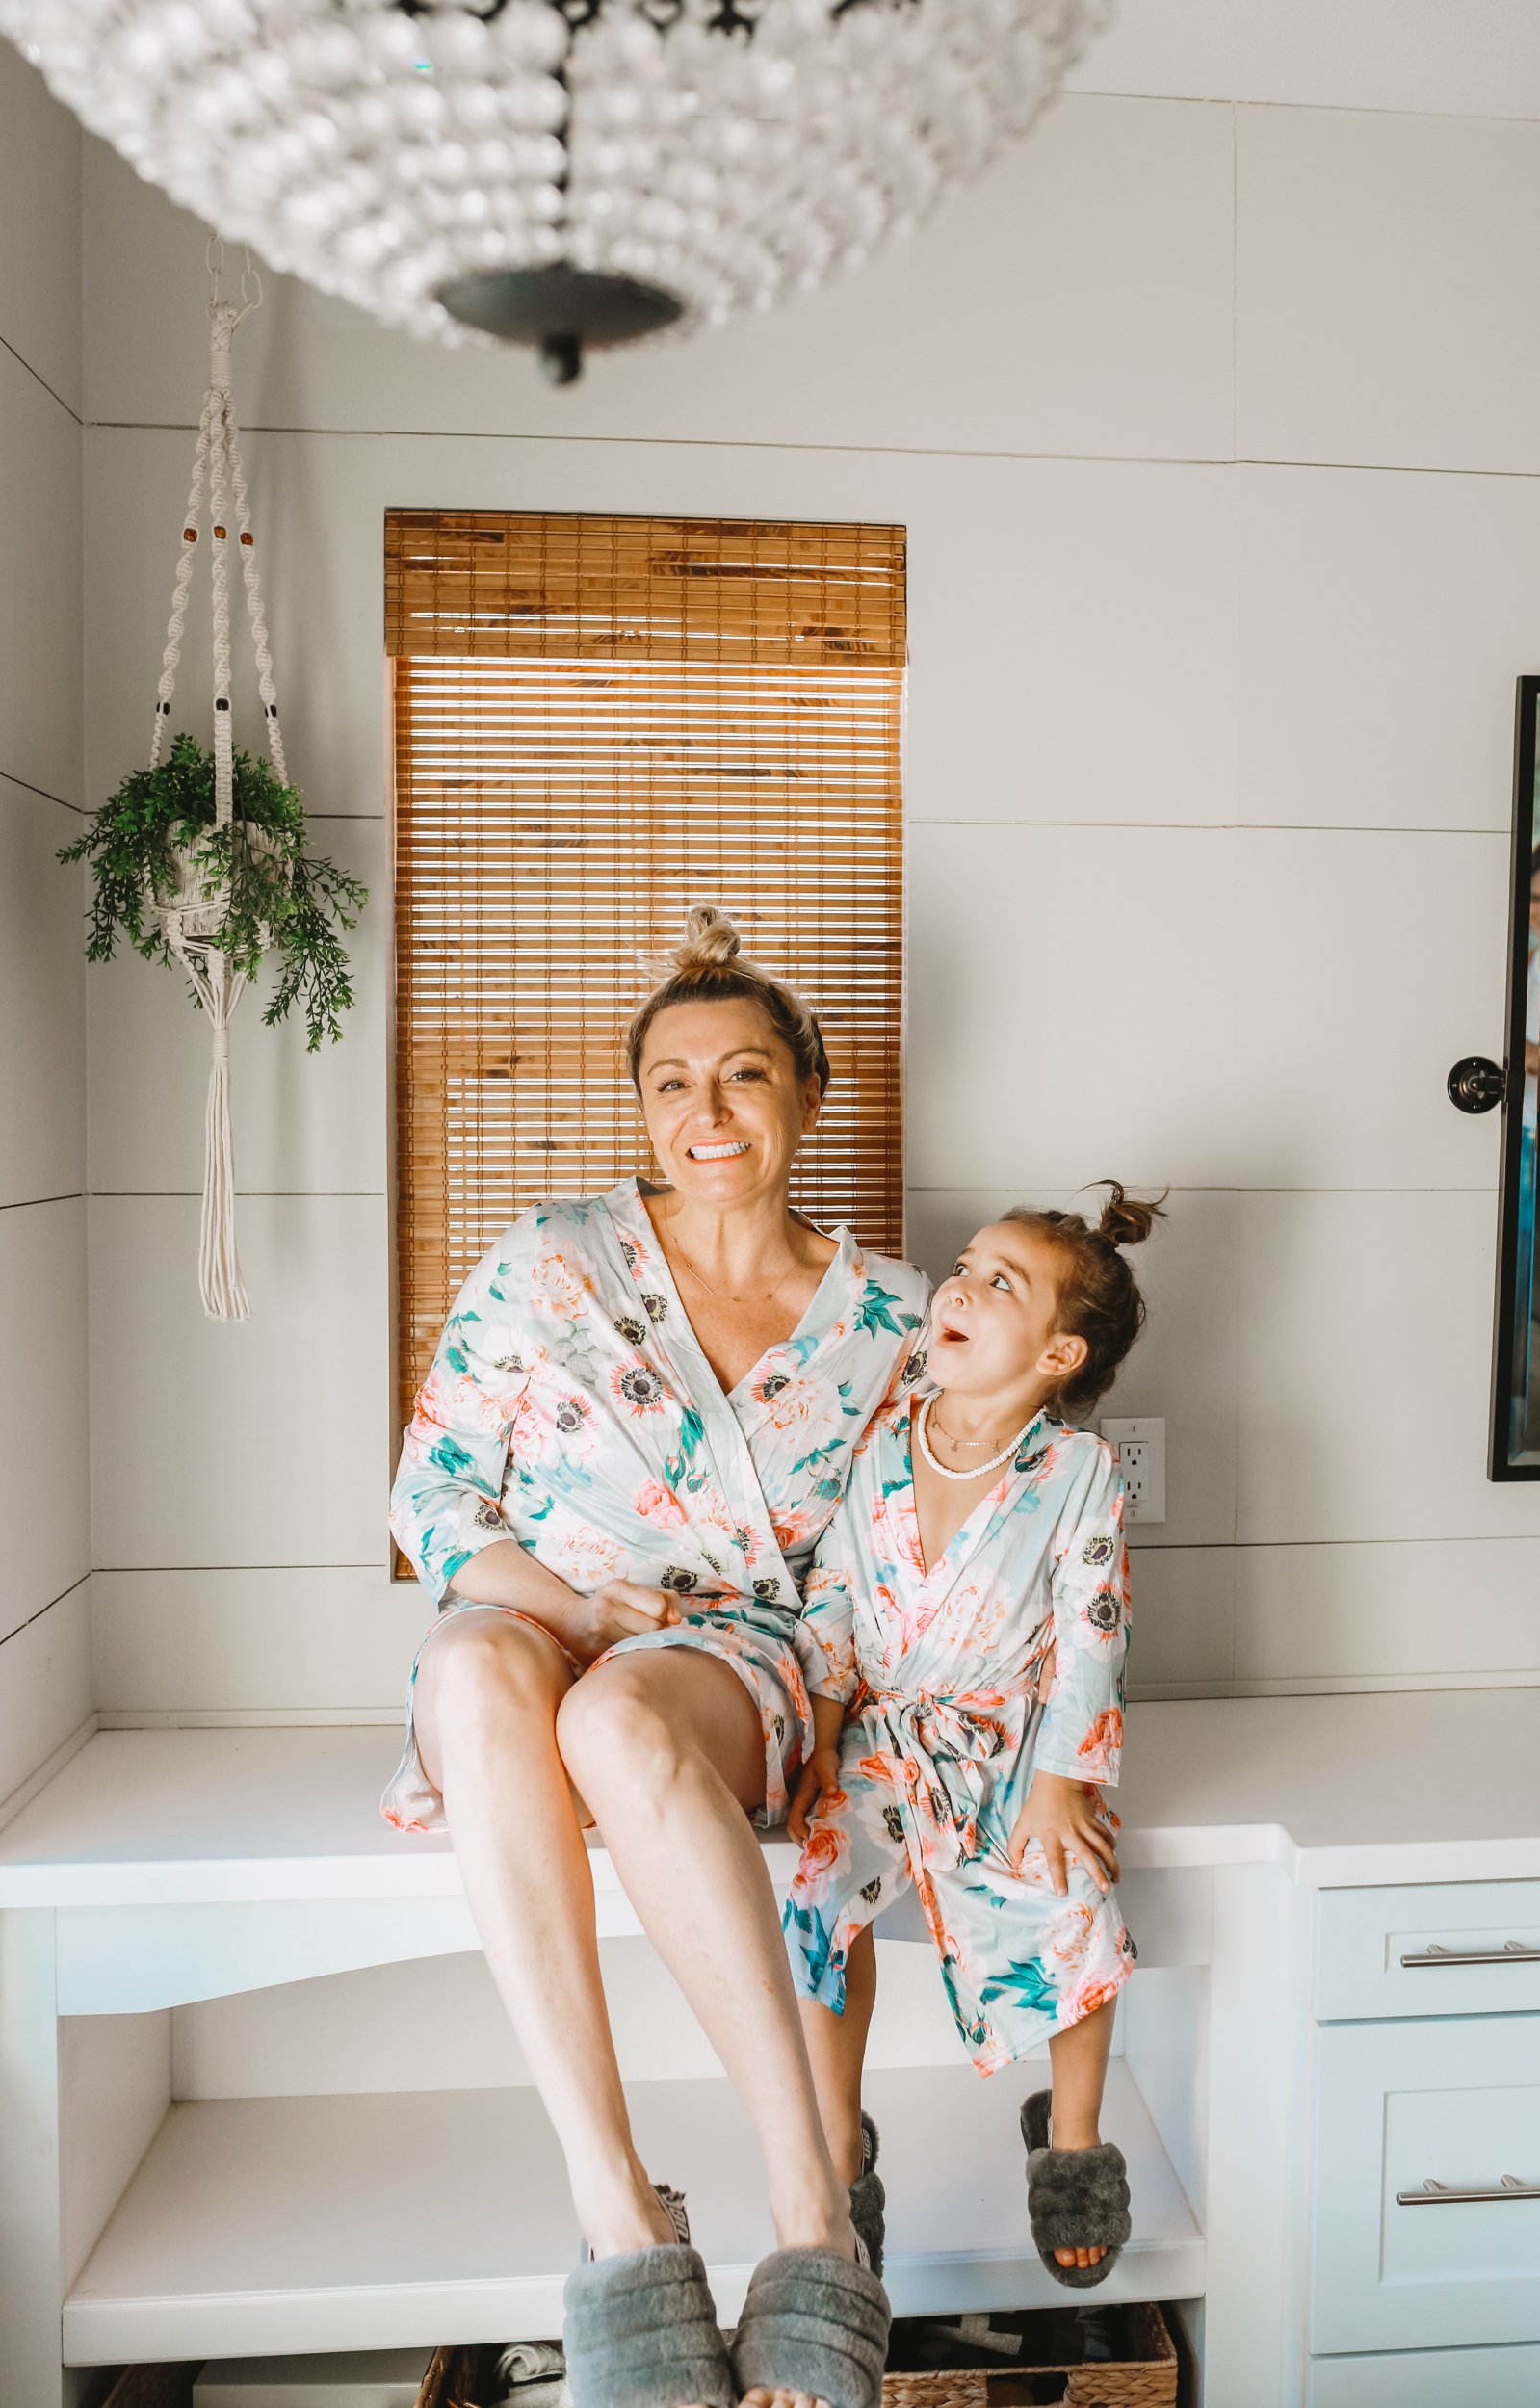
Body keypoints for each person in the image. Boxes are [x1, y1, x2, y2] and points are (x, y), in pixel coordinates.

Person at [386, 906, 928, 2408]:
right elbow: (427, 1498)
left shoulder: (892, 1317)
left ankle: (810, 2213)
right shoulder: (548, 1258)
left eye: (743, 1074)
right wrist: (571, 1604)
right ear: (640, 1107)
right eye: (671, 1081)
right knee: (482, 1672)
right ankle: (620, 2213)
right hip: (533, 1612)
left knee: (623, 1720)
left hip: (735, 1662)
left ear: (805, 1097)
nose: (706, 1112)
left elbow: (902, 1557)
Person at [782, 1186, 1163, 2291]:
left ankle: (1074, 2138)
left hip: (1013, 1738)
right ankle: (838, 2143)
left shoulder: (1076, 1473)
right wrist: (817, 1737)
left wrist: (1060, 1784)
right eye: (964, 1266)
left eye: (1002, 1282)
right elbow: (837, 1597)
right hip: (880, 1734)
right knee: (813, 1887)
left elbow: (1094, 1634)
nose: (957, 1285)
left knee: (1070, 1892)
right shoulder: (881, 1442)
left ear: (1056, 1352)